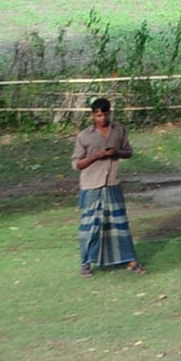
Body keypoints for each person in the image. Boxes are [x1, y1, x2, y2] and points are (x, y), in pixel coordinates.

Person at [71, 97, 141, 275]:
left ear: (109, 113)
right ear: (93, 116)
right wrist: (96, 156)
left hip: (111, 183)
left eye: (104, 114)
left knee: (119, 224)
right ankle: (86, 263)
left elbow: (128, 152)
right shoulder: (84, 136)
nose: (101, 118)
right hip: (91, 185)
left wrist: (116, 152)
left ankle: (130, 261)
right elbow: (77, 164)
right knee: (90, 226)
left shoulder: (119, 130)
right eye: (98, 115)